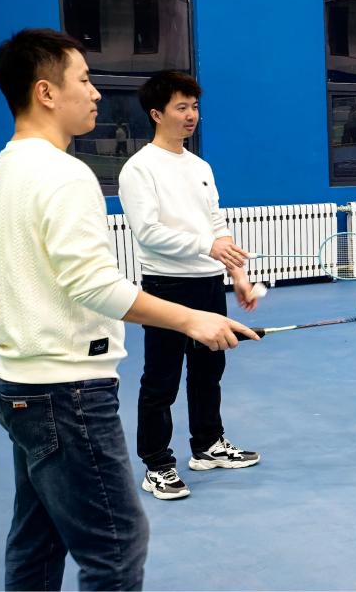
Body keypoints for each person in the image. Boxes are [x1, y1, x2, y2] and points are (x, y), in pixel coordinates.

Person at [0, 28, 256, 591]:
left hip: (20, 382)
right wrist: (191, 319)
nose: (96, 93)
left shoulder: (3, 169)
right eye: (83, 79)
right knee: (115, 549)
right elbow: (92, 284)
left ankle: (208, 443)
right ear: (46, 92)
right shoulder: (64, 173)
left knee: (37, 541)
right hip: (66, 392)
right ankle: (161, 459)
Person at [118, 71, 261, 501]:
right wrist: (207, 246)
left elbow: (217, 223)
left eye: (194, 107)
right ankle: (157, 463)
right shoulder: (139, 168)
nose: (191, 115)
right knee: (161, 379)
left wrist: (238, 276)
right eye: (181, 107)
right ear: (156, 113)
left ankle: (208, 445)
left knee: (208, 371)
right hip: (166, 286)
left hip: (208, 283)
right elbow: (148, 232)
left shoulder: (200, 167)